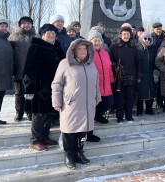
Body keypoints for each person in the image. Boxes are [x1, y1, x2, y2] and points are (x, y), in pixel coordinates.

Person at [52, 39, 101, 169]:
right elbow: (57, 84)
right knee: (69, 130)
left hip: (88, 103)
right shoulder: (65, 63)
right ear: (73, 51)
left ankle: (79, 152)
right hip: (71, 104)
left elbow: (96, 83)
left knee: (83, 131)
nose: (82, 51)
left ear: (88, 50)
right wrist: (56, 101)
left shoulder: (91, 65)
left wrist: (97, 97)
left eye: (84, 49)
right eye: (79, 49)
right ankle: (69, 155)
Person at [23, 24, 65, 151]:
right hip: (39, 87)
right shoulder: (36, 47)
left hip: (55, 87)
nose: (51, 34)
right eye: (48, 32)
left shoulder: (57, 48)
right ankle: (35, 140)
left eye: (53, 32)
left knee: (49, 113)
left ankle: (45, 136)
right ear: (43, 34)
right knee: (39, 113)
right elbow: (29, 69)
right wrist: (29, 89)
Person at [109, 26, 140, 123]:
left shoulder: (134, 47)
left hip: (131, 76)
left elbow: (138, 62)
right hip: (119, 76)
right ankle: (119, 117)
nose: (126, 36)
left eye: (128, 34)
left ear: (130, 35)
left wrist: (138, 76)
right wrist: (116, 65)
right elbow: (110, 60)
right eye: (124, 34)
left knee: (130, 98)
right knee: (120, 98)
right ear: (120, 35)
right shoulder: (114, 46)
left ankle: (129, 116)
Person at [9, 16, 36, 122]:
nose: (26, 25)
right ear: (20, 25)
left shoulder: (36, 36)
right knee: (19, 93)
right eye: (24, 23)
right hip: (18, 70)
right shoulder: (13, 37)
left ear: (31, 25)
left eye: (28, 23)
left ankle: (29, 112)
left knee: (30, 93)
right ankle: (19, 113)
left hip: (32, 71)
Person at [88, 30, 114, 124]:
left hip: (106, 83)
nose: (97, 42)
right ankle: (90, 122)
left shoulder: (105, 53)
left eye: (99, 40)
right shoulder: (88, 53)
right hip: (93, 84)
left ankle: (96, 115)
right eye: (95, 40)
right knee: (93, 104)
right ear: (90, 41)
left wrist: (112, 80)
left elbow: (109, 68)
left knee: (109, 102)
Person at [136, 31, 156, 116]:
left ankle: (149, 109)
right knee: (140, 94)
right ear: (141, 38)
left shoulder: (153, 48)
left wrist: (156, 73)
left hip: (150, 74)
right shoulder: (137, 48)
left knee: (150, 93)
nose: (147, 40)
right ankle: (139, 111)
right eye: (145, 38)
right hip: (141, 74)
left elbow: (156, 61)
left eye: (149, 39)